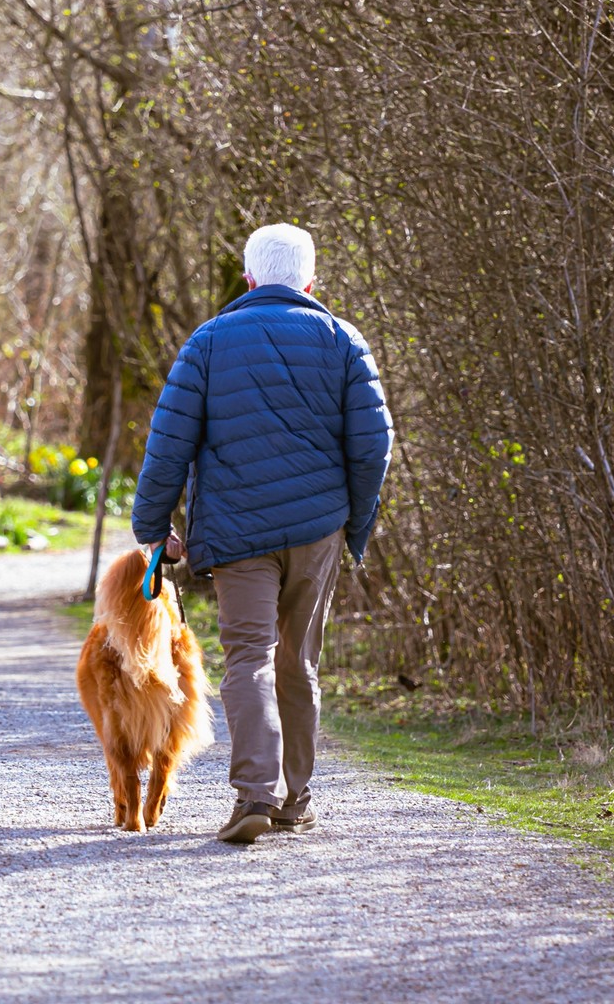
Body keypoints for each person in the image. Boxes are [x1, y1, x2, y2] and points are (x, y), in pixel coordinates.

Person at [131, 223, 393, 844]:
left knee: (249, 659)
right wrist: (352, 524)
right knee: (298, 662)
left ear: (248, 279)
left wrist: (153, 527)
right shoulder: (343, 341)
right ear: (309, 281)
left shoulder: (209, 342)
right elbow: (373, 446)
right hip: (316, 531)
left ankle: (254, 794)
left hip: (238, 535)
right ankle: (295, 799)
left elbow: (168, 445)